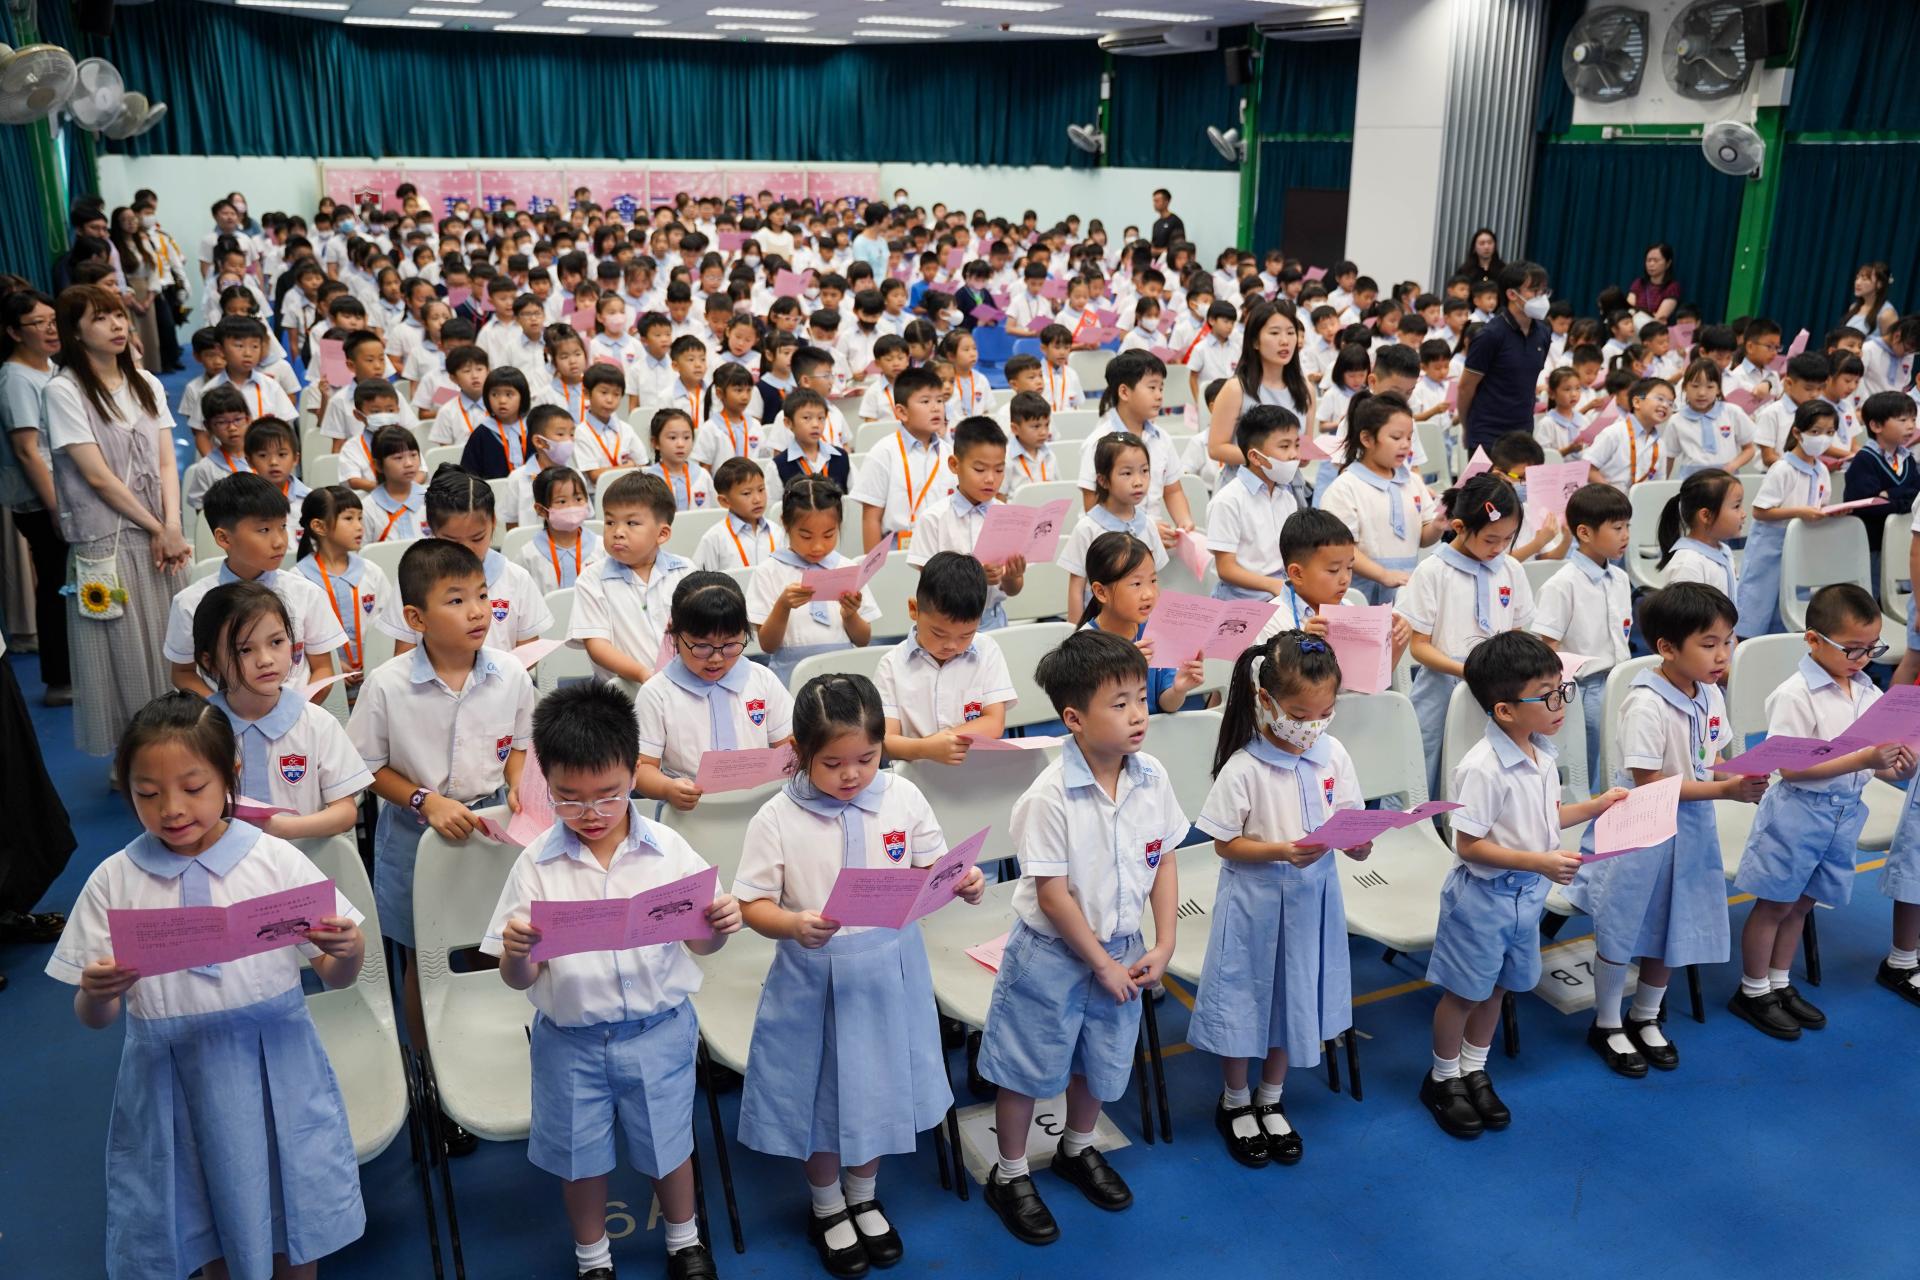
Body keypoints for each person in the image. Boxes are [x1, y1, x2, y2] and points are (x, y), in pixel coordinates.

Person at [47, 691, 367, 1280]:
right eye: (147, 793)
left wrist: (348, 952)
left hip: (277, 1067)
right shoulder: (115, 880)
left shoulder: (275, 860)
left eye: (193, 787)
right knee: (200, 1221)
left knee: (293, 1216)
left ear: (230, 774)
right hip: (173, 1081)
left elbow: (336, 975)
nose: (171, 809)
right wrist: (97, 992)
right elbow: (94, 1016)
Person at [484, 680, 740, 1280]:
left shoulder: (668, 849)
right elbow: (518, 979)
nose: (591, 814)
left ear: (633, 773)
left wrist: (720, 927)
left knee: (669, 1144)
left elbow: (702, 943)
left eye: (608, 796)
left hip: (659, 1030)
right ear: (546, 785)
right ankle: (592, 1257)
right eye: (569, 800)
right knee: (580, 1160)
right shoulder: (535, 864)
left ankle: (685, 1240)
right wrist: (518, 953)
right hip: (570, 1042)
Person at [734, 673, 985, 1275]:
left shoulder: (903, 797)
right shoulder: (776, 817)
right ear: (799, 752)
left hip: (888, 973)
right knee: (820, 1097)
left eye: (867, 759)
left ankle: (864, 1195)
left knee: (878, 1088)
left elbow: (933, 867)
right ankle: (826, 1205)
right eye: (832, 763)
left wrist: (964, 882)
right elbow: (751, 904)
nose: (851, 775)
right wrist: (791, 924)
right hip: (813, 977)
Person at [977, 630, 1182, 1246]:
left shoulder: (1152, 777)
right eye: (1119, 704)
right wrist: (1100, 964)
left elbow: (1165, 859)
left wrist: (1164, 943)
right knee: (1024, 1068)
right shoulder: (1048, 797)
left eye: (1139, 698)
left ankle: (1077, 1146)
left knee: (1102, 1058)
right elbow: (1052, 896)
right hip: (1052, 956)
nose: (1138, 714)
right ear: (1074, 719)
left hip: (1123, 949)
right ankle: (1010, 1173)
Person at [348, 537, 535, 1153]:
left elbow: (521, 746)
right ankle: (429, 1074)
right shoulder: (388, 685)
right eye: (456, 600)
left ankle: (483, 1055)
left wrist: (517, 783)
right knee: (422, 959)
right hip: (416, 836)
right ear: (416, 618)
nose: (477, 611)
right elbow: (366, 767)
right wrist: (425, 801)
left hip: (493, 835)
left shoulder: (510, 673)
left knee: (491, 945)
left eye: (482, 595)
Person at [1421, 632, 1627, 1138]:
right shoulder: (1482, 769)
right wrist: (1539, 862)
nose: (1561, 705)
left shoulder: (1542, 754)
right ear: (1505, 710)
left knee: (1498, 987)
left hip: (1525, 895)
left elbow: (1547, 818)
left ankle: (1474, 1067)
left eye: (1563, 690)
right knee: (1464, 993)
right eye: (1547, 695)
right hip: (1484, 899)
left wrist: (1595, 806)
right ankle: (1442, 1077)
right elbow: (1468, 846)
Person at [1564, 583, 1765, 1077]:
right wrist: (1725, 789)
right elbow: (1649, 782)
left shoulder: (1710, 692)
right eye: (1709, 643)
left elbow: (1711, 758)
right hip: (1639, 833)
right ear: (1667, 648)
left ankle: (1646, 1014)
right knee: (1622, 928)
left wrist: (1745, 773)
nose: (1723, 655)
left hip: (1690, 828)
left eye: (1728, 641)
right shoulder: (1645, 704)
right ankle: (1607, 1023)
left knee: (1675, 924)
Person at [1190, 631, 1373, 1167]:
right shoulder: (1244, 767)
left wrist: (1359, 843)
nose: (1312, 726)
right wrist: (1281, 851)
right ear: (1265, 700)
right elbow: (1224, 843)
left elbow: (1350, 821)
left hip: (1313, 903)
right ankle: (1235, 1101)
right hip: (1254, 904)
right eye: (1299, 714)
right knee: (1244, 1000)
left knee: (1293, 997)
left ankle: (1271, 1096)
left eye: (1325, 713)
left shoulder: (1332, 754)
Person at [1730, 585, 1912, 1039]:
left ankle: (1779, 982)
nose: (1863, 659)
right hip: (1798, 814)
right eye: (1852, 649)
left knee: (1803, 903)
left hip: (1845, 813)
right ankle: (1752, 990)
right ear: (1813, 640)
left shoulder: (1866, 688)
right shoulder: (1795, 695)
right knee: (1775, 903)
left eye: (1872, 649)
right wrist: (1864, 758)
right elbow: (1791, 768)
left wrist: (1897, 764)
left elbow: (1874, 760)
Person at [43, 283, 192, 758]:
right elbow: (97, 477)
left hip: (162, 537)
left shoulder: (146, 382)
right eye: (100, 317)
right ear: (75, 332)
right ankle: (134, 757)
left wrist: (172, 525)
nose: (117, 325)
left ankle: (180, 744)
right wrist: (158, 527)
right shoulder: (63, 391)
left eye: (119, 315)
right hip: (104, 542)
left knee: (173, 642)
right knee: (121, 652)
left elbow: (167, 462)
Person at [1396, 471, 1535, 798]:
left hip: (1497, 687)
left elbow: (1515, 635)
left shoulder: (1511, 569)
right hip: (1441, 686)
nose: (1499, 548)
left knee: (1488, 767)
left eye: (1508, 539)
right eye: (1490, 539)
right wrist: (1467, 671)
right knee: (1427, 764)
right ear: (1459, 527)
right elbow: (1419, 647)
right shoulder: (1433, 571)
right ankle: (1426, 824)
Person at [194, 581, 370, 838]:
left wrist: (278, 830)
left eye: (276, 642)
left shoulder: (316, 723)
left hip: (304, 858)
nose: (266, 660)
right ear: (210, 662)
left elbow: (345, 812)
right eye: (244, 650)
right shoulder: (198, 730)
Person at [634, 571, 795, 814]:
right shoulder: (657, 693)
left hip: (760, 809)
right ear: (674, 636)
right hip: (690, 814)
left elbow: (789, 749)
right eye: (702, 647)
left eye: (730, 645)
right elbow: (643, 768)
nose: (717, 658)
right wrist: (667, 788)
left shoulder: (761, 680)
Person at [377, 466, 553, 656]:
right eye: (452, 541)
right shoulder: (415, 579)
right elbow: (404, 654)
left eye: (477, 538)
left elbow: (528, 653)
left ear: (493, 522)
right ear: (432, 530)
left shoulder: (516, 579)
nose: (466, 550)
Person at [1532, 482, 1634, 778]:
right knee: (1586, 767)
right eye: (1617, 527)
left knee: (1619, 759)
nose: (1626, 535)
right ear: (1585, 533)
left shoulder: (1620, 578)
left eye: (1627, 526)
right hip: (1584, 689)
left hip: (1621, 680)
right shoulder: (1562, 585)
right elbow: (1548, 647)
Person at [875, 551, 1016, 762]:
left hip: (976, 769)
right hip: (916, 773)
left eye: (966, 635)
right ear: (914, 609)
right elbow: (886, 742)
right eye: (938, 634)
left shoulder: (987, 650)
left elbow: (994, 723)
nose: (951, 645)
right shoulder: (891, 665)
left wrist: (941, 742)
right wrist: (926, 749)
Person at [0, 287, 70, 704]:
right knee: (56, 585)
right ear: (13, 332)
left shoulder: (51, 368)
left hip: (63, 493)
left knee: (65, 583)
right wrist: (56, 508)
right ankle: (58, 680)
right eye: (38, 323)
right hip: (42, 500)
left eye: (53, 320)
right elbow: (28, 450)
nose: (50, 329)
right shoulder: (15, 378)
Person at [748, 476, 882, 685]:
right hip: (790, 679)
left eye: (828, 535)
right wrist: (783, 606)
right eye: (806, 536)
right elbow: (768, 645)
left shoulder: (847, 569)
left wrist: (850, 615)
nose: (818, 547)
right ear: (785, 523)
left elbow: (863, 640)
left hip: (843, 680)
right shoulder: (769, 572)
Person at [570, 471, 693, 686]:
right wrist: (643, 675)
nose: (618, 532)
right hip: (621, 693)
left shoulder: (685, 571)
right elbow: (597, 645)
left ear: (662, 534)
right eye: (610, 522)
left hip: (685, 683)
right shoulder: (592, 579)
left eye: (632, 523)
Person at [1318, 394, 1441, 605]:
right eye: (1396, 437)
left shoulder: (1413, 481)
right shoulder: (1345, 487)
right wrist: (1383, 575)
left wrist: (1439, 525)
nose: (1405, 445)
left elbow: (1423, 538)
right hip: (1360, 597)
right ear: (1367, 439)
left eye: (1409, 438)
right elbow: (1341, 548)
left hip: (1404, 592)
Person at [906, 416, 1023, 629]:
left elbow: (1013, 590)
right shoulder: (934, 519)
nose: (991, 479)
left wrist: (1012, 576)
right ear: (954, 465)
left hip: (993, 620)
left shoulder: (1007, 516)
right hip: (948, 624)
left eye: (999, 470)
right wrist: (975, 578)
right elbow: (929, 589)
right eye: (979, 469)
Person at [1735, 400, 1839, 639]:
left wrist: (1831, 512)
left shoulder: (1822, 470)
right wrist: (1799, 512)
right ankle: (1746, 649)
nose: (1823, 438)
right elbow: (1760, 511)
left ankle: (1780, 645)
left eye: (1830, 432)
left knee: (1791, 603)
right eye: (1815, 432)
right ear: (1797, 433)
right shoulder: (1782, 468)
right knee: (1758, 602)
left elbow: (1820, 505)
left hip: (1801, 546)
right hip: (1770, 547)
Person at [850, 364, 955, 552]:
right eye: (925, 401)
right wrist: (875, 566)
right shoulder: (883, 453)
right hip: (898, 551)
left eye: (939, 401)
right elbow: (871, 518)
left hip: (943, 550)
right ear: (902, 412)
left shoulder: (950, 453)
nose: (936, 408)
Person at [294, 484, 392, 684]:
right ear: (319, 526)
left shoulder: (372, 573)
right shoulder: (298, 580)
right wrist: (332, 664)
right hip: (324, 682)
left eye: (360, 518)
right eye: (349, 518)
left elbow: (389, 625)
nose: (359, 526)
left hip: (375, 677)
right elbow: (296, 639)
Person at [1455, 263, 1553, 454]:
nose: (1541, 297)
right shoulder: (1490, 335)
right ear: (1511, 294)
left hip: (1523, 432)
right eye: (1534, 290)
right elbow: (1465, 387)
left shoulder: (1543, 333)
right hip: (1488, 434)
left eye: (1543, 291)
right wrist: (1468, 428)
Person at [1205, 300, 1314, 472]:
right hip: (1244, 482)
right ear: (1255, 341)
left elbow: (1304, 453)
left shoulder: (1305, 389)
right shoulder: (1236, 389)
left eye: (1291, 332)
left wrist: (1299, 455)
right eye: (1274, 333)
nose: (1285, 341)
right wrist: (1267, 459)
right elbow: (1216, 448)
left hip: (1289, 483)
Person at [1205, 404, 1299, 600]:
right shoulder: (1228, 501)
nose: (1294, 454)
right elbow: (1226, 569)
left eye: (1296, 445)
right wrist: (1273, 585)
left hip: (1281, 594)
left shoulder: (1287, 498)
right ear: (1255, 457)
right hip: (1242, 601)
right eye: (1284, 446)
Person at [1657, 468, 1744, 602]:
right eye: (1736, 506)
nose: (1744, 514)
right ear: (1706, 515)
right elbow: (1684, 614)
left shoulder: (1723, 550)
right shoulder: (1688, 563)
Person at [1627, 242, 1681, 322]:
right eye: (1648, 260)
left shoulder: (1672, 287)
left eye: (1656, 260)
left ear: (1668, 263)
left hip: (1653, 328)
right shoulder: (1639, 283)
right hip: (1631, 326)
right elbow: (1628, 310)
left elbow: (1660, 318)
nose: (1651, 264)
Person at [1148, 188, 1184, 253]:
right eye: (1154, 201)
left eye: (1157, 201)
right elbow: (1154, 244)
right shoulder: (1156, 224)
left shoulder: (1175, 221)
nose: (1154, 204)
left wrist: (1157, 251)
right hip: (1157, 259)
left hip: (1169, 258)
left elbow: (1179, 247)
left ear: (1166, 201)